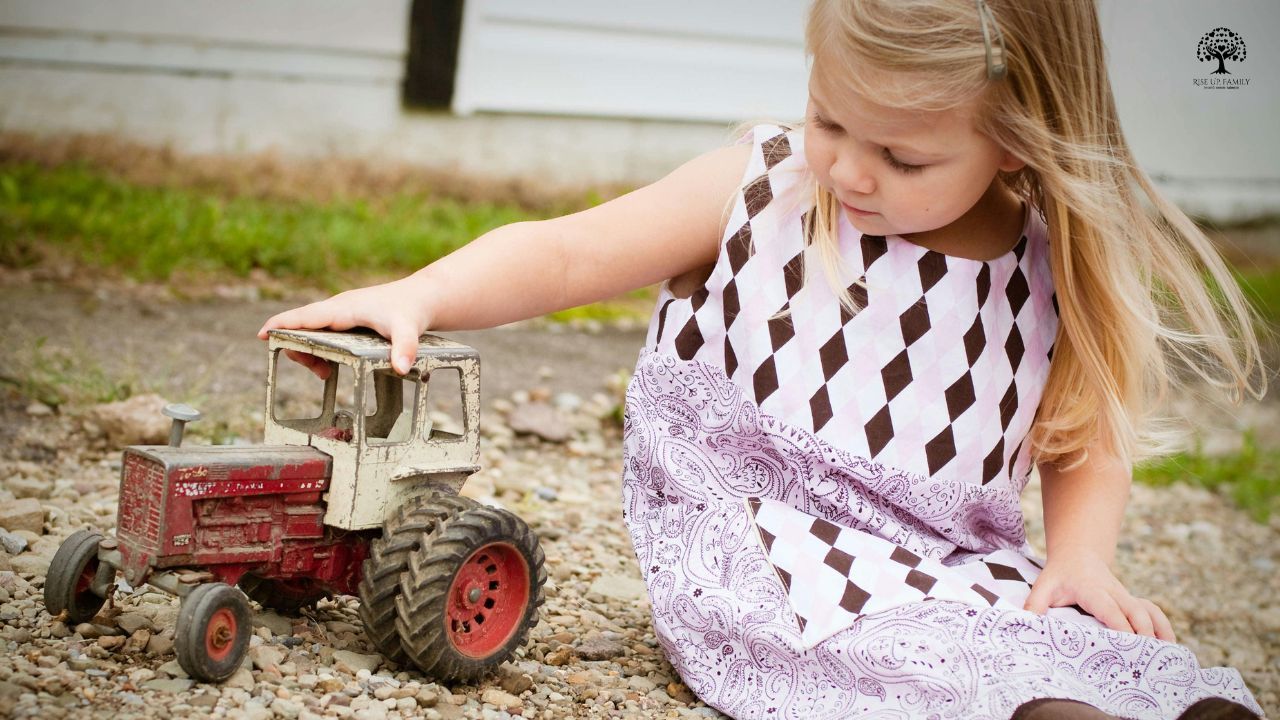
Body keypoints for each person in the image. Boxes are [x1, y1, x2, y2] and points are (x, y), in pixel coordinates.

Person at [259, 1, 1269, 717]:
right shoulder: (768, 192)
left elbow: (1083, 431)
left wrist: (1082, 558)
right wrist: (422, 294)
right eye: (830, 117)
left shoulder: (1043, 259)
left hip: (950, 559)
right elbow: (567, 252)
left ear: (1016, 141)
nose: (847, 168)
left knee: (1073, 637)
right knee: (933, 666)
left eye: (902, 156)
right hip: (772, 542)